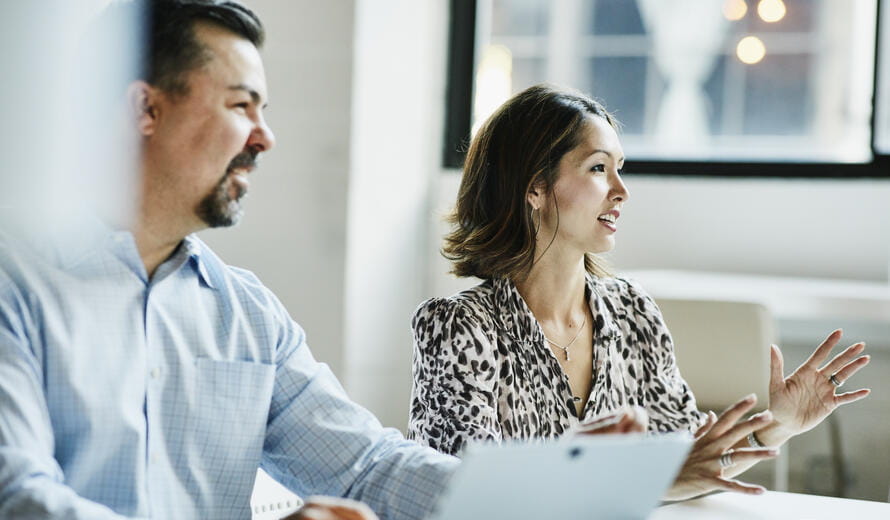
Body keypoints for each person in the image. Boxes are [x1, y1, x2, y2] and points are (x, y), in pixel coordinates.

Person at [0, 1, 464, 518]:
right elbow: (18, 497)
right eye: (242, 106)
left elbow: (365, 468)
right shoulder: (13, 281)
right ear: (145, 110)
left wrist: (539, 489)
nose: (265, 137)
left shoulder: (247, 315)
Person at [407, 84, 872, 500]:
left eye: (620, 169)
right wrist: (657, 482)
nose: (622, 191)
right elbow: (467, 499)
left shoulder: (631, 310)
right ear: (535, 187)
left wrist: (777, 427)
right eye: (597, 168)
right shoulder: (458, 327)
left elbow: (692, 457)